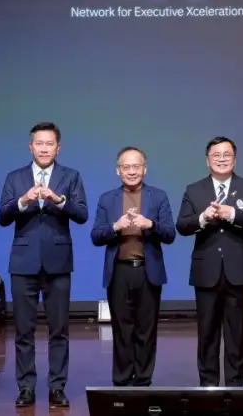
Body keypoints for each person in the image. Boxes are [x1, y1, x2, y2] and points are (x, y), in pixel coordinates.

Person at [0, 122, 88, 409]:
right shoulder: (15, 178)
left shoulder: (70, 176)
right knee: (23, 330)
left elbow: (82, 214)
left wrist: (58, 200)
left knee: (59, 330)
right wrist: (23, 200)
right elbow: (2, 217)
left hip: (58, 262)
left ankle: (57, 387)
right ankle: (26, 387)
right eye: (39, 143)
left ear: (58, 148)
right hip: (23, 263)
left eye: (50, 144)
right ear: (31, 147)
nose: (44, 148)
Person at [176, 136, 243, 388]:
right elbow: (182, 225)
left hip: (238, 270)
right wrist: (203, 217)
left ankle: (235, 387)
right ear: (208, 161)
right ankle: (209, 386)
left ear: (235, 160)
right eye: (216, 155)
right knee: (207, 332)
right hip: (206, 271)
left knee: (236, 333)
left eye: (227, 155)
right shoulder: (194, 190)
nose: (222, 159)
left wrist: (232, 214)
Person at [91, 146, 176, 386]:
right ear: (118, 171)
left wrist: (150, 225)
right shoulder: (107, 199)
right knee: (121, 328)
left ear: (145, 169)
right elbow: (96, 236)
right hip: (119, 271)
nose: (131, 171)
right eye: (126, 167)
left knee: (146, 329)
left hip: (148, 271)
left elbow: (170, 234)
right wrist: (115, 227)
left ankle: (143, 381)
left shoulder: (158, 196)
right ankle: (121, 381)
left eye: (136, 166)